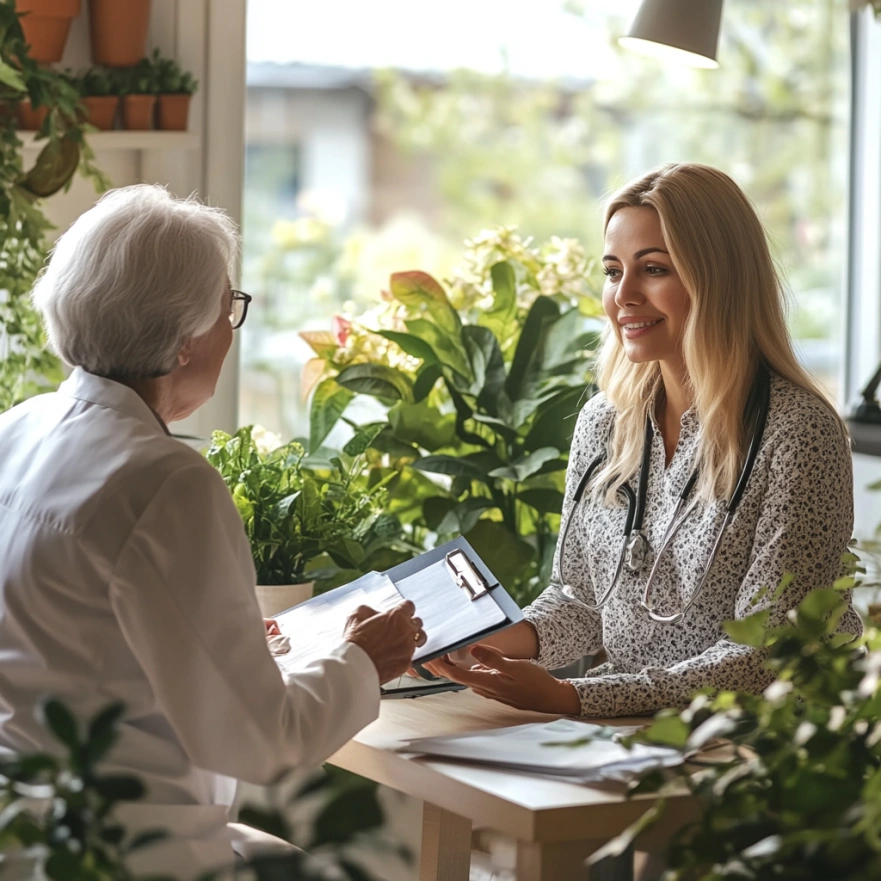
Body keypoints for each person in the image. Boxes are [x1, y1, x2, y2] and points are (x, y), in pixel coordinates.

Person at [0, 185, 424, 876]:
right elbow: (258, 741)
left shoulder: (16, 428)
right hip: (125, 852)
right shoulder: (166, 480)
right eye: (230, 306)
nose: (232, 328)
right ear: (184, 341)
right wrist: (361, 661)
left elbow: (74, 642)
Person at [426, 163, 862, 717]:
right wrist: (480, 645)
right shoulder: (604, 424)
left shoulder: (797, 433)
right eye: (613, 272)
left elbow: (768, 654)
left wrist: (572, 695)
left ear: (718, 280)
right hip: (627, 728)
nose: (623, 295)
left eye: (653, 269)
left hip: (760, 746)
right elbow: (581, 600)